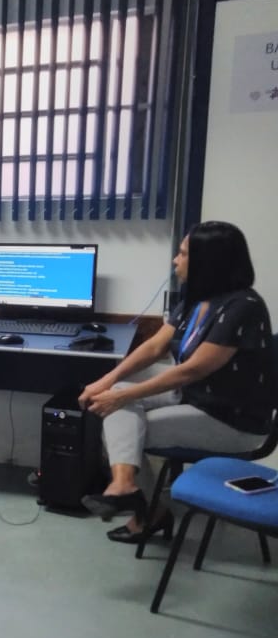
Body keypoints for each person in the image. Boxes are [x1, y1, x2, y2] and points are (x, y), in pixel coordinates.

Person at [79, 221, 276, 542]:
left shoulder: (244, 307)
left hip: (231, 419)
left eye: (183, 253)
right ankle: (129, 490)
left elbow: (193, 370)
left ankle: (143, 508)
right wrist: (108, 381)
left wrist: (122, 398)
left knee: (127, 426)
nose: (176, 260)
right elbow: (155, 346)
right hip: (192, 400)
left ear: (208, 262)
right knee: (116, 403)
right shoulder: (196, 301)